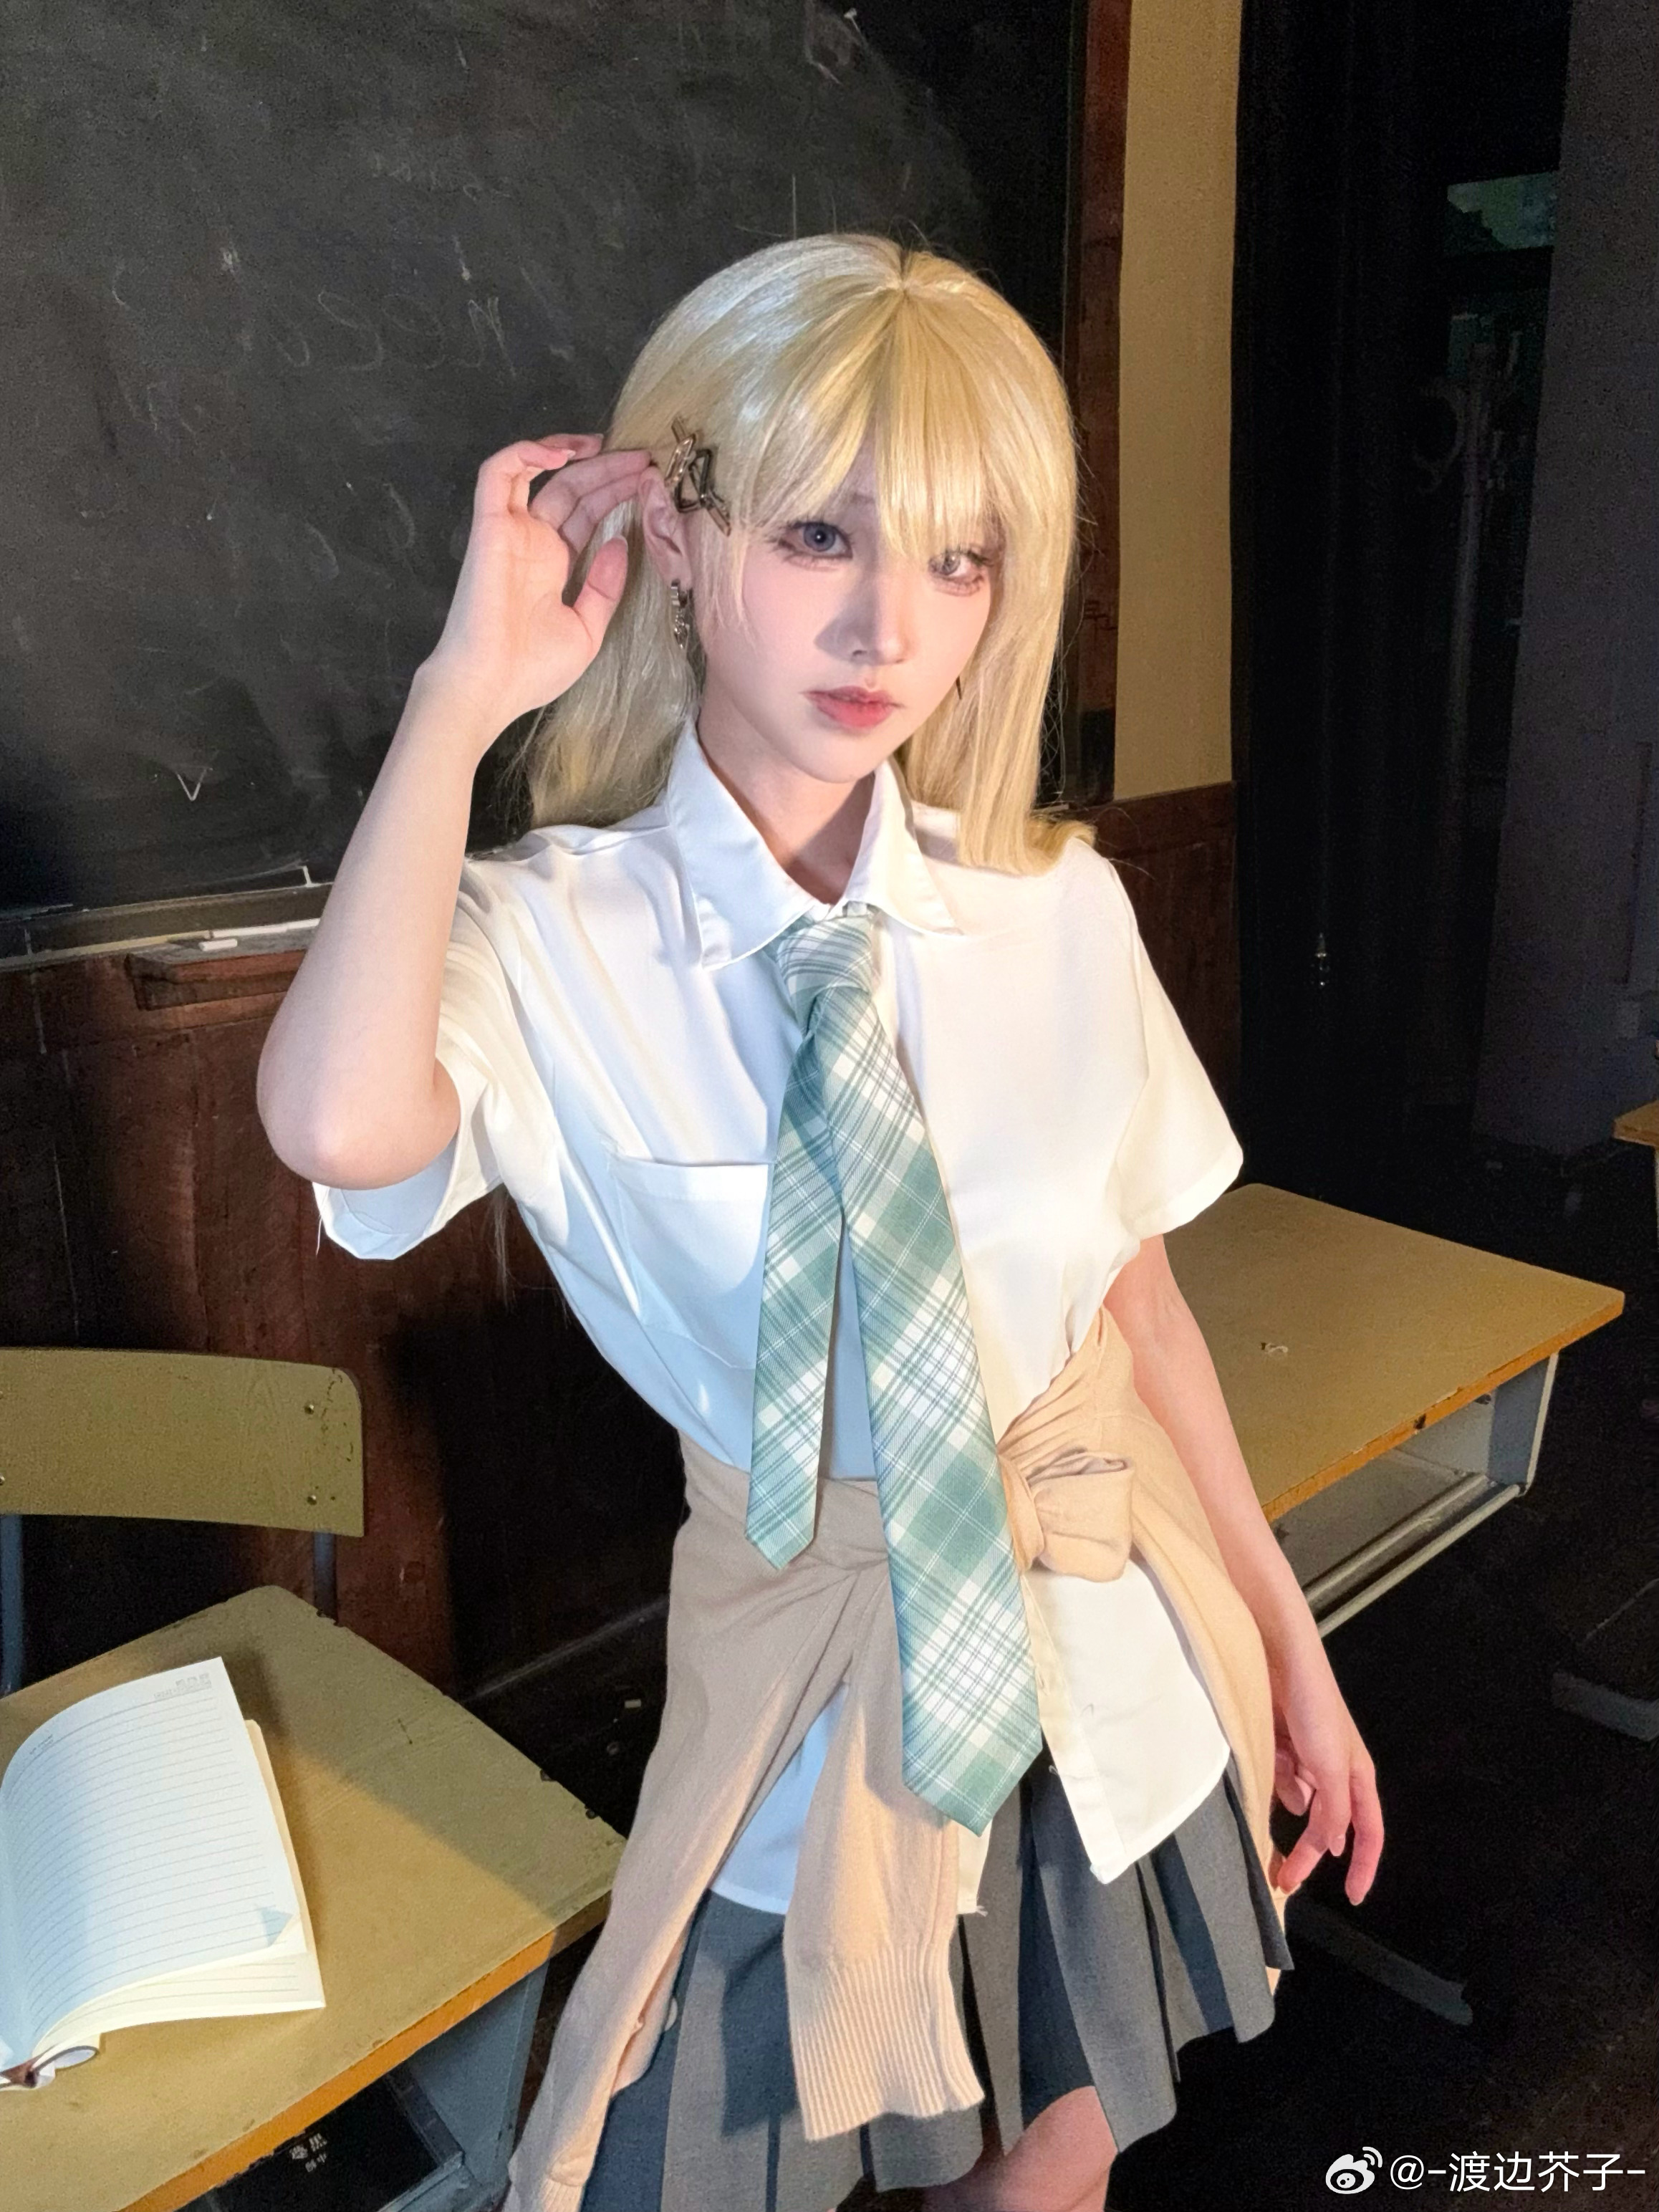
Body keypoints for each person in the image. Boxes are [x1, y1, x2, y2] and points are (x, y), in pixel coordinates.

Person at [257, 234, 1384, 2212]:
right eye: (817, 535)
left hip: (1101, 1676)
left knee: (1044, 2175)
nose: (888, 623)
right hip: (799, 1713)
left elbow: (1135, 1314)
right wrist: (460, 700)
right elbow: (342, 1129)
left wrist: (1292, 1643)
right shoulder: (553, 936)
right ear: (682, 538)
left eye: (960, 558)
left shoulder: (1054, 906)